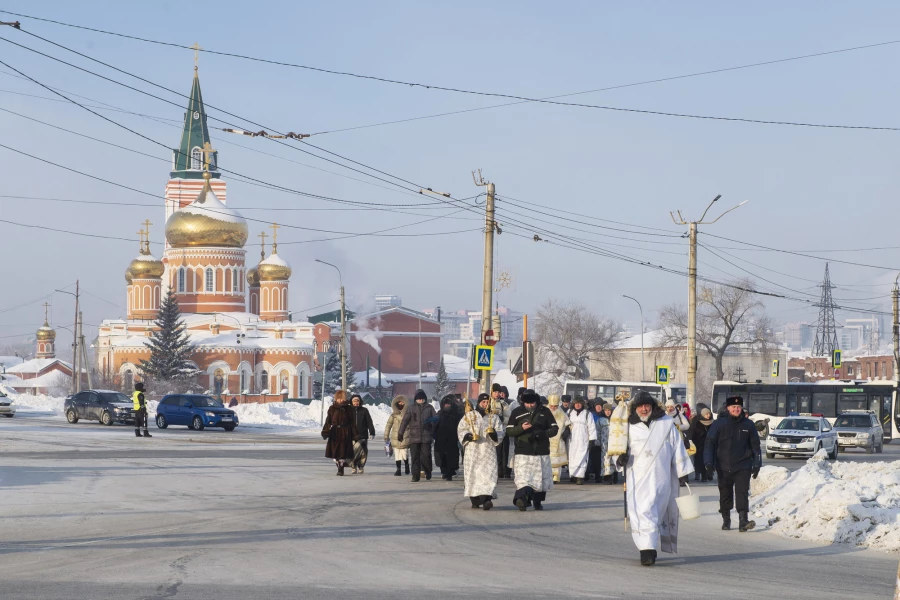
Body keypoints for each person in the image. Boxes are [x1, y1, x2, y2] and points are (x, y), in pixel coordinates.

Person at [616, 391, 694, 566]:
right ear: (635, 408)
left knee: (655, 514)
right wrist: (619, 459)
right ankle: (647, 550)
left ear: (652, 406)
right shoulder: (628, 426)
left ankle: (649, 546)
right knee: (642, 511)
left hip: (661, 479)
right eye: (641, 406)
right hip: (638, 478)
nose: (644, 409)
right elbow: (618, 447)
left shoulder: (666, 424)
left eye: (647, 406)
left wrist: (682, 472)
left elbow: (677, 447)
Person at [704, 396, 762, 532]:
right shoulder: (719, 424)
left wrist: (757, 463)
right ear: (728, 408)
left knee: (742, 492)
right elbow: (709, 444)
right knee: (725, 493)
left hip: (743, 465)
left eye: (738, 407)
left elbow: (755, 446)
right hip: (723, 465)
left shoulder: (749, 425)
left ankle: (743, 520)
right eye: (733, 407)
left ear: (741, 408)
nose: (736, 409)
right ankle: (726, 519)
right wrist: (708, 462)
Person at [507, 391, 559, 511]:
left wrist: (542, 434)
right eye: (527, 403)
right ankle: (521, 500)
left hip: (541, 451)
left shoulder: (545, 412)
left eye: (532, 403)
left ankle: (537, 500)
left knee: (540, 478)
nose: (530, 405)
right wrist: (521, 428)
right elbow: (509, 430)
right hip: (523, 450)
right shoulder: (517, 412)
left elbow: (554, 428)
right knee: (523, 478)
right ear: (523, 402)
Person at [459, 393, 504, 510]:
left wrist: (494, 434)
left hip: (488, 451)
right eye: (483, 402)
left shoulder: (493, 417)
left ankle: (487, 499)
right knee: (473, 475)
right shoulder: (470, 416)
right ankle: (475, 499)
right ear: (479, 403)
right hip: (473, 451)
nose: (485, 404)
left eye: (487, 402)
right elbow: (461, 429)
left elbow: (500, 431)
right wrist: (468, 436)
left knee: (488, 474)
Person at [398, 389, 437, 482]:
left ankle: (428, 471)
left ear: (425, 398)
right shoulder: (411, 408)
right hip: (414, 437)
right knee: (415, 457)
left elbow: (436, 419)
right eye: (418, 398)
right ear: (415, 399)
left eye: (422, 398)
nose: (420, 400)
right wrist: (400, 433)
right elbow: (404, 421)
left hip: (426, 436)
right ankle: (415, 475)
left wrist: (431, 425)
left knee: (426, 456)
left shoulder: (429, 408)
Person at [322, 390, 358, 476]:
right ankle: (339, 464)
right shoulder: (332, 408)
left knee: (342, 452)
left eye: (341, 398)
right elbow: (328, 421)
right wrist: (325, 431)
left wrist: (355, 434)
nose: (340, 400)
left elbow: (353, 422)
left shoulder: (349, 408)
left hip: (345, 431)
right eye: (338, 398)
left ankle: (341, 469)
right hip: (335, 431)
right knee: (334, 453)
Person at [567, 396, 596, 485]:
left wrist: (592, 439)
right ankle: (573, 475)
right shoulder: (569, 412)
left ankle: (580, 477)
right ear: (573, 404)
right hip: (572, 439)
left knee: (582, 457)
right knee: (572, 457)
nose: (578, 405)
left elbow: (591, 427)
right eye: (576, 403)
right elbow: (564, 423)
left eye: (579, 403)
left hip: (583, 439)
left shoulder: (587, 414)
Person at [433, 395, 462, 481]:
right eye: (445, 404)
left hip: (452, 438)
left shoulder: (457, 414)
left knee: (451, 457)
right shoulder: (439, 414)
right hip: (440, 438)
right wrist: (433, 434)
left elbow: (461, 425)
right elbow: (434, 425)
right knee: (441, 457)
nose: (447, 406)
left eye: (449, 404)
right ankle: (444, 471)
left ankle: (450, 473)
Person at [546, 395, 571, 483]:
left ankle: (556, 477)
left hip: (559, 439)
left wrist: (566, 433)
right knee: (548, 459)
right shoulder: (544, 411)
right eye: (552, 406)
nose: (553, 408)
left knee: (557, 460)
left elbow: (569, 424)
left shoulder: (561, 413)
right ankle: (549, 476)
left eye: (555, 406)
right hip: (547, 439)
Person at [349, 393, 376, 474]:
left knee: (363, 453)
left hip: (363, 435)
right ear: (351, 402)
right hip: (352, 435)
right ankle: (353, 467)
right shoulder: (349, 410)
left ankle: (361, 466)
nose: (356, 402)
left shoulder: (364, 410)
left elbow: (369, 422)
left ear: (360, 401)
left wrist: (372, 432)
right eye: (354, 401)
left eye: (357, 401)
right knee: (352, 452)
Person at [384, 395, 410, 476]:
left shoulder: (408, 414)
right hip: (395, 437)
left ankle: (406, 465)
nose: (401, 404)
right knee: (397, 454)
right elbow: (388, 425)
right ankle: (398, 469)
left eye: (402, 403)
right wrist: (386, 435)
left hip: (405, 436)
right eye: (399, 403)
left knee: (404, 453)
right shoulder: (393, 415)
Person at [489, 383, 510, 479]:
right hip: (490, 432)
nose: (497, 394)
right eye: (495, 392)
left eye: (498, 392)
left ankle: (502, 471)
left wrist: (502, 419)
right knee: (493, 453)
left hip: (502, 431)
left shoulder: (503, 404)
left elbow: (509, 417)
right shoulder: (487, 403)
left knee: (503, 452)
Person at [688, 408, 714, 482]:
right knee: (700, 460)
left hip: (710, 444)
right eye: (706, 414)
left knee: (709, 460)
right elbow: (694, 434)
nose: (708, 415)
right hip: (700, 445)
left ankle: (708, 474)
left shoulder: (713, 423)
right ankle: (700, 474)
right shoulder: (697, 423)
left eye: (709, 414)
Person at [589, 400, 609, 484]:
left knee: (604, 459)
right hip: (595, 440)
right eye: (597, 406)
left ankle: (603, 475)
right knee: (595, 459)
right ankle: (593, 474)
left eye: (600, 406)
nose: (599, 407)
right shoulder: (591, 415)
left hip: (605, 442)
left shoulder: (605, 416)